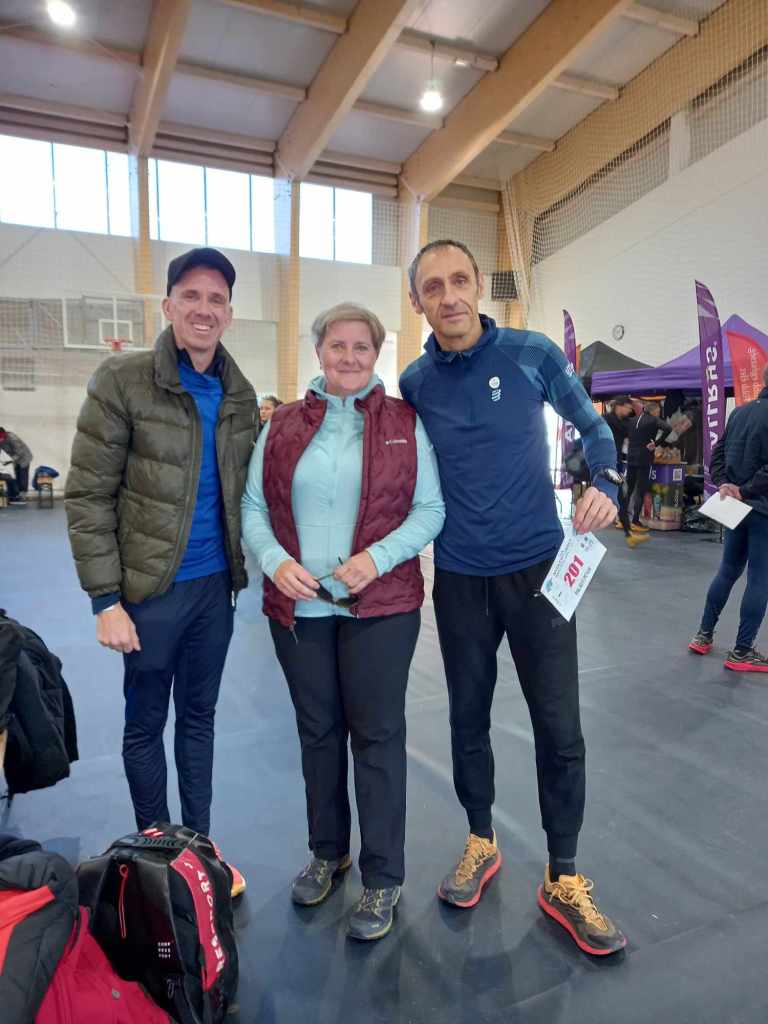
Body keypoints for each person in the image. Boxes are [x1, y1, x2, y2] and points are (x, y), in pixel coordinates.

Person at [400, 239, 626, 956]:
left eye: (459, 280)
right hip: (460, 579)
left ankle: (564, 874)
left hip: (539, 574)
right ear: (418, 302)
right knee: (467, 718)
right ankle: (480, 839)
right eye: (433, 287)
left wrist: (607, 481)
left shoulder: (531, 354)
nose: (449, 296)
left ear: (478, 286)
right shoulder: (414, 382)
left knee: (560, 727)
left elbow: (594, 427)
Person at [242, 302, 444, 941]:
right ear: (319, 351)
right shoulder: (281, 425)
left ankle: (383, 877)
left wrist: (376, 559)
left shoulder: (405, 423)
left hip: (380, 610)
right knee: (318, 734)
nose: (349, 357)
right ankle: (327, 852)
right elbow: (253, 506)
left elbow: (431, 509)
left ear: (377, 354)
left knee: (377, 739)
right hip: (299, 612)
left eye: (362, 347)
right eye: (338, 345)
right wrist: (275, 562)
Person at [65, 247, 257, 896]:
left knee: (199, 720)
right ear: (170, 305)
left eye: (216, 299)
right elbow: (88, 494)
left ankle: (198, 853)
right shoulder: (122, 380)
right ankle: (156, 854)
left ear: (229, 314)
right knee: (146, 724)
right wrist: (105, 599)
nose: (204, 309)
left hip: (214, 592)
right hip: (149, 593)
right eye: (191, 296)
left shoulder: (239, 394)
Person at [688, 365, 768, 671]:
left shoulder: (739, 413)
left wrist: (725, 485)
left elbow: (717, 455)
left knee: (727, 571)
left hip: (734, 507)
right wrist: (744, 490)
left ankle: (703, 635)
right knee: (760, 579)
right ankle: (742, 651)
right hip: (762, 510)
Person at [604, 397, 647, 548]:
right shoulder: (607, 420)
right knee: (619, 497)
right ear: (619, 406)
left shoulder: (622, 422)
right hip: (605, 464)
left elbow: (633, 430)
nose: (630, 411)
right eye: (628, 408)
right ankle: (629, 533)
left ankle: (629, 534)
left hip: (614, 463)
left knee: (621, 497)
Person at [625, 400, 672, 532]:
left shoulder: (632, 420)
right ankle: (635, 520)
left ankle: (622, 516)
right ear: (654, 411)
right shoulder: (654, 420)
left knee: (629, 488)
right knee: (640, 489)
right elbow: (668, 428)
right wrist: (656, 443)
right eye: (658, 411)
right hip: (644, 457)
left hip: (631, 456)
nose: (659, 414)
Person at [0, 428, 33, 504]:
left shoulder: (13, 438)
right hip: (14, 458)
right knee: (15, 476)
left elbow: (19, 452)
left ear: (3, 435)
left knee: (22, 476)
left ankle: (23, 496)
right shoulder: (2, 438)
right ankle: (16, 495)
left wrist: (10, 460)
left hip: (24, 458)